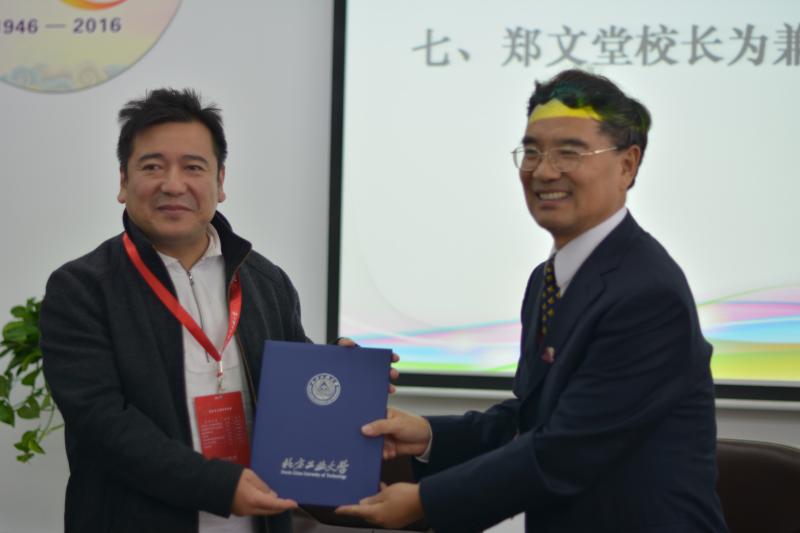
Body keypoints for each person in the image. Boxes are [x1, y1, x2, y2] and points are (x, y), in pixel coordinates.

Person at [336, 70, 730, 533]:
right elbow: (532, 419)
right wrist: (427, 435)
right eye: (532, 151)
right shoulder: (546, 281)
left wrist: (424, 500)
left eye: (569, 152)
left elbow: (567, 450)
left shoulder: (647, 294)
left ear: (627, 165)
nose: (543, 171)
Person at [41, 88, 305, 533]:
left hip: (258, 520)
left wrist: (342, 370)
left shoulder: (266, 281)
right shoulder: (82, 288)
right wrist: (218, 485)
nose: (173, 185)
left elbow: (294, 385)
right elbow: (103, 425)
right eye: (152, 167)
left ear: (221, 182)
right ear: (123, 181)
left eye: (193, 167)